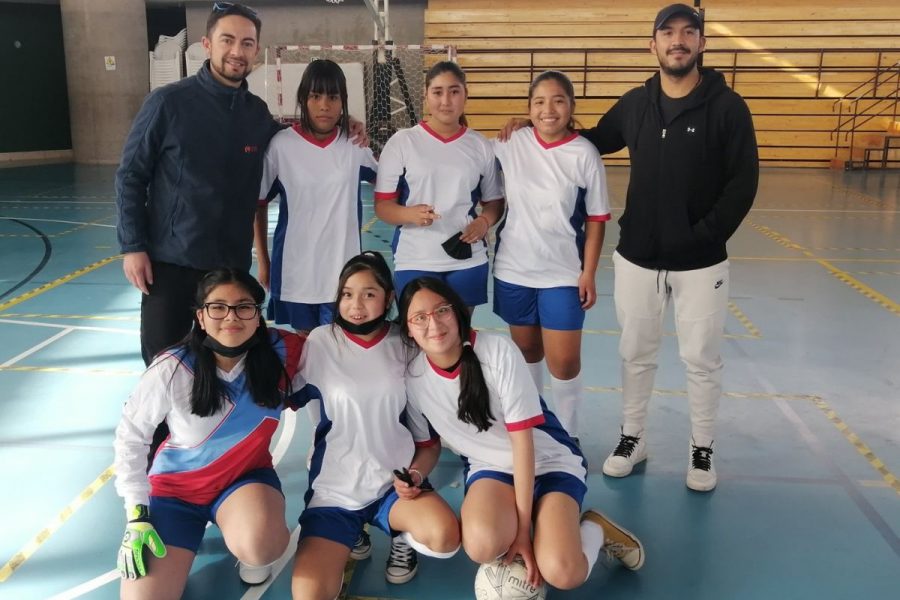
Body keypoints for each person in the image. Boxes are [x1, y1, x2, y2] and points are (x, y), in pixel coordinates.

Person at [503, 3, 759, 491]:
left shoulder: (728, 108)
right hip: (638, 257)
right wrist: (535, 124)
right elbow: (593, 139)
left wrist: (703, 235)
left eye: (688, 33)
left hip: (701, 262)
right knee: (635, 353)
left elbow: (743, 183)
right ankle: (632, 437)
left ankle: (701, 448)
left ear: (702, 43)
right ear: (653, 45)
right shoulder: (637, 103)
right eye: (668, 33)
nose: (678, 41)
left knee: (701, 357)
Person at [398, 277, 644, 591]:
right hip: (492, 468)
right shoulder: (414, 377)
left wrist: (521, 534)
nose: (433, 323)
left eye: (442, 310)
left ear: (456, 312)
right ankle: (542, 526)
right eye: (420, 317)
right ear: (408, 328)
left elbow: (522, 444)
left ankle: (594, 529)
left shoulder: (497, 351)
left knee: (563, 573)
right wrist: (415, 475)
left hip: (548, 461)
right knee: (481, 546)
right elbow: (429, 447)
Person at [113, 268, 306, 599]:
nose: (231, 317)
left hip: (244, 481)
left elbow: (341, 352)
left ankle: (245, 545)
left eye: (244, 306)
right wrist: (137, 515)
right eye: (218, 307)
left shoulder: (282, 352)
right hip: (174, 492)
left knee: (262, 545)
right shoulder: (172, 367)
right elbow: (131, 437)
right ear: (201, 316)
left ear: (258, 315)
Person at [116, 3, 281, 367]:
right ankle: (161, 428)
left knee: (222, 368)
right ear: (207, 44)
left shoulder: (257, 114)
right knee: (165, 368)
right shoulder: (167, 103)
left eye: (247, 43)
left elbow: (293, 144)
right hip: (171, 265)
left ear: (256, 50)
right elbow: (131, 175)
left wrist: (343, 124)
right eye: (228, 40)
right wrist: (133, 246)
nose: (237, 51)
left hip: (229, 270)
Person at [291, 253, 460, 600]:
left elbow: (428, 442)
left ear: (387, 298)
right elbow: (277, 395)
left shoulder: (407, 344)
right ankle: (352, 532)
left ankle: (401, 534)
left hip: (392, 485)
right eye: (347, 294)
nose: (356, 304)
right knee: (308, 594)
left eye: (369, 293)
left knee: (444, 537)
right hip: (334, 491)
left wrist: (413, 475)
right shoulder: (321, 342)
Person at [491, 70, 611, 441]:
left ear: (571, 107)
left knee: (564, 362)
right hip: (514, 270)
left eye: (558, 100)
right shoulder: (510, 143)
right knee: (527, 354)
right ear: (529, 108)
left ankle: (569, 437)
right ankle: (536, 432)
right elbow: (461, 147)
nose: (548, 109)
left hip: (562, 275)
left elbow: (595, 220)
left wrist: (588, 273)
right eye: (539, 101)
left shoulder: (585, 154)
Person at [254, 58, 378, 332]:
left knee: (342, 351)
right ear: (303, 99)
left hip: (344, 274)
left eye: (333, 97)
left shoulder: (353, 145)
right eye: (315, 96)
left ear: (343, 101)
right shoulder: (281, 146)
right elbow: (258, 204)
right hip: (298, 273)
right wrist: (264, 262)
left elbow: (387, 181)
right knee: (307, 352)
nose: (324, 105)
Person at [374, 61, 504, 311]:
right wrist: (408, 214)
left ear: (466, 95)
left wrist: (484, 222)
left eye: (454, 91)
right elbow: (383, 206)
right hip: (415, 258)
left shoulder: (480, 146)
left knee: (459, 337)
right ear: (425, 96)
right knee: (417, 338)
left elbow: (494, 203)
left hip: (467, 258)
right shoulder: (402, 142)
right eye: (437, 92)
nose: (446, 100)